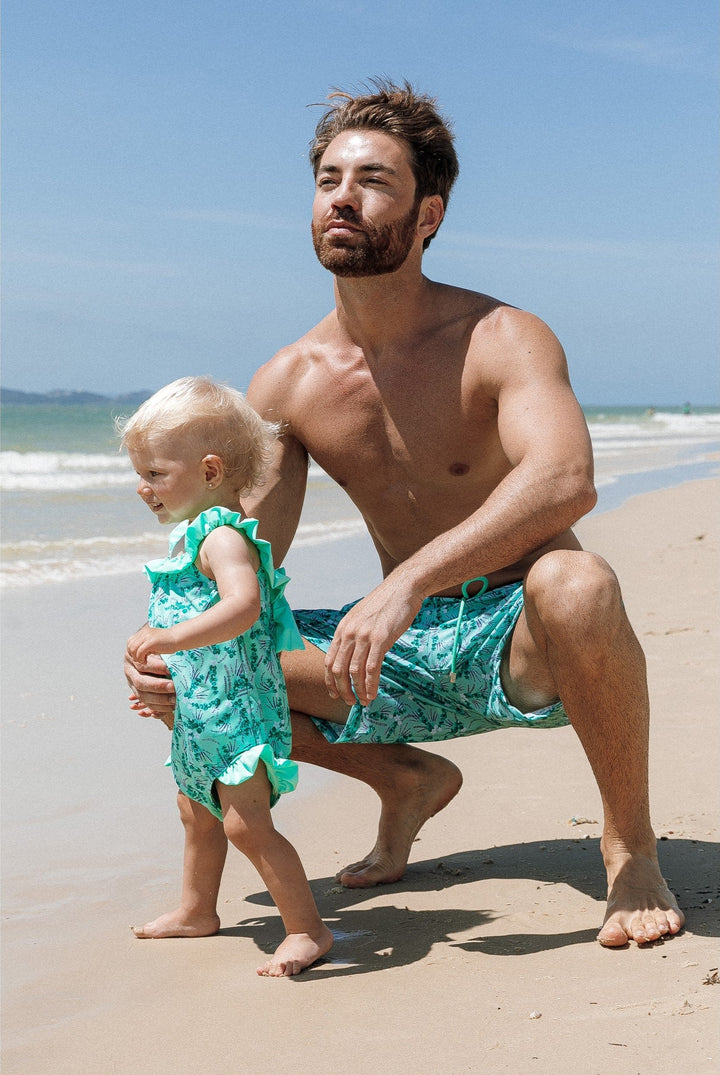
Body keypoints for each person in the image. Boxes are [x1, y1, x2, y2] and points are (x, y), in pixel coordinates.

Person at [125, 81, 683, 949]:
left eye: (373, 181)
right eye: (327, 179)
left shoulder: (503, 336)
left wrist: (411, 582)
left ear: (429, 216)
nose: (342, 196)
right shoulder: (290, 383)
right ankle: (404, 777)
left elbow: (566, 479)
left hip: (516, 634)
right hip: (389, 655)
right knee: (207, 658)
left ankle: (631, 849)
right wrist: (176, 647)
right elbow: (239, 550)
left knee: (578, 580)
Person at [119, 376, 333, 976]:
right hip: (201, 710)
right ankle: (197, 909)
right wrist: (164, 666)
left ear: (211, 471)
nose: (143, 488)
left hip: (238, 714)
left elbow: (243, 608)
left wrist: (168, 638)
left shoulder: (221, 538)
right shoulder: (191, 537)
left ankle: (308, 930)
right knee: (196, 809)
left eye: (156, 473)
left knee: (245, 823)